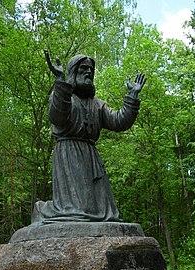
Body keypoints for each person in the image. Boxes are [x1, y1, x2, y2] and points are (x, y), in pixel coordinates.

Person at [32, 52, 146, 223]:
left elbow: (119, 121)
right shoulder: (63, 96)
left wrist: (132, 96)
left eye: (91, 70)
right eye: (83, 69)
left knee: (100, 211)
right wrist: (61, 81)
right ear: (73, 71)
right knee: (75, 211)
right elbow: (57, 117)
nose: (88, 73)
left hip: (91, 156)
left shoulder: (97, 104)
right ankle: (43, 209)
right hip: (69, 154)